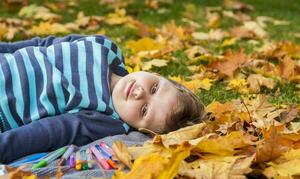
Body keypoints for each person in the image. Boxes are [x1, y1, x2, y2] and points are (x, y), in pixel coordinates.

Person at [0, 34, 205, 163]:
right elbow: (44, 44)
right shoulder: (106, 47)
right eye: (154, 87)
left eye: (144, 110)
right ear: (157, 75)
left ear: (139, 129)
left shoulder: (106, 119)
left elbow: (49, 132)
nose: (140, 93)